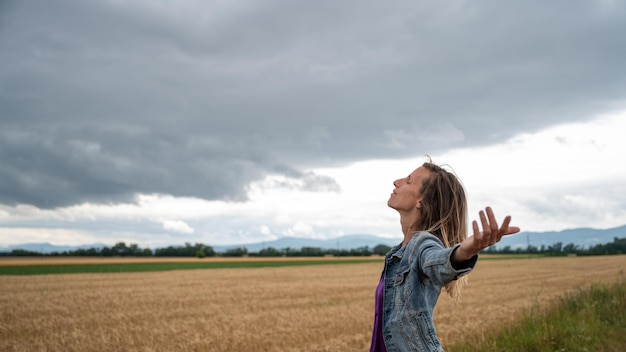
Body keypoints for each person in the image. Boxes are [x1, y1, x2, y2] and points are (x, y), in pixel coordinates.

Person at [369, 159, 520, 352]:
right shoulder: (398, 254)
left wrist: (463, 252)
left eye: (408, 181)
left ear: (420, 201)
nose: (396, 182)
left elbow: (438, 261)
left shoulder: (422, 244)